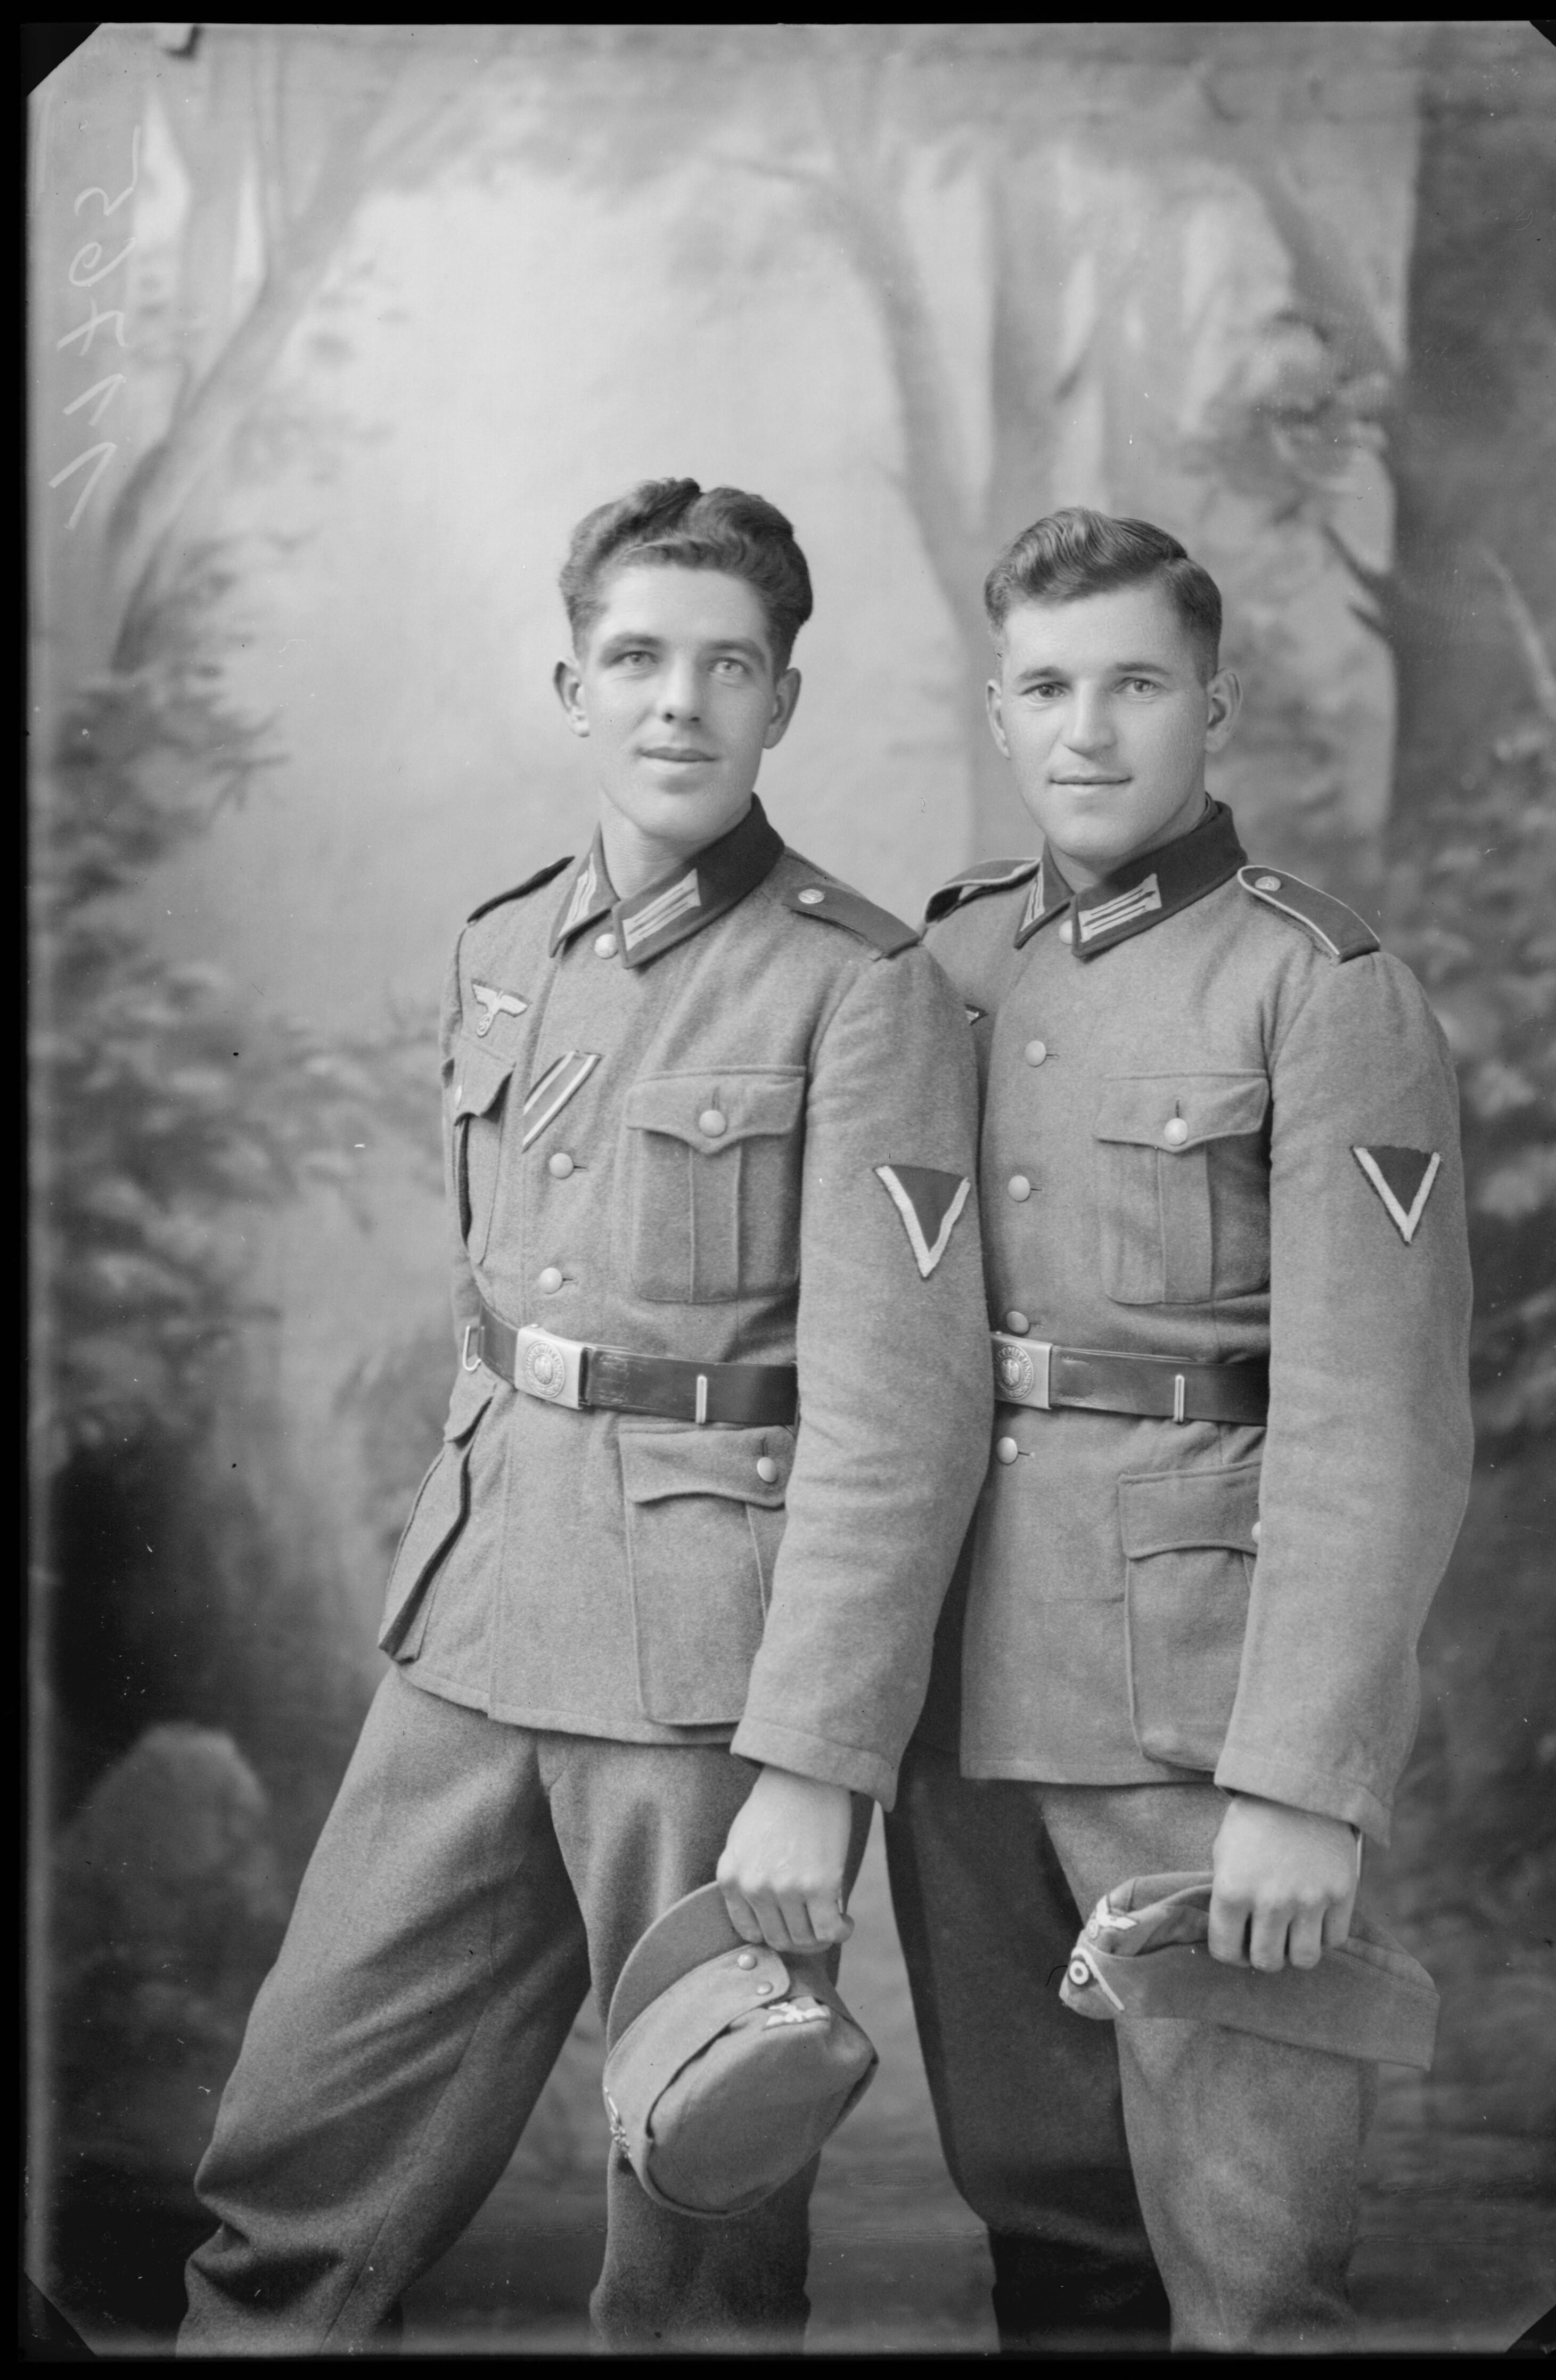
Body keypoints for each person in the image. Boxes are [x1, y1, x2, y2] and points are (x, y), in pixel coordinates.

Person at [178, 479, 992, 2356]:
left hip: (704, 1673)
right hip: (475, 1625)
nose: (677, 702)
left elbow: (901, 1418)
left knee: (702, 2205)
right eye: (635, 658)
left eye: (728, 666)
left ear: (783, 701)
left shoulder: (859, 989)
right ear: (571, 687)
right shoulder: (503, 948)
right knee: (300, 2158)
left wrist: (820, 1760)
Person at [885, 507, 1474, 2354]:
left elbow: (1378, 1421)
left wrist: (1305, 1777)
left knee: (1250, 2266)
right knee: (1046, 2234)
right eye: (1048, 687)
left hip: (1199, 1712)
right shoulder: (949, 960)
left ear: (1212, 709)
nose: (1088, 730)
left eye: (1136, 684)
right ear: (999, 708)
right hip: (959, 1692)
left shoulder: (1318, 988)